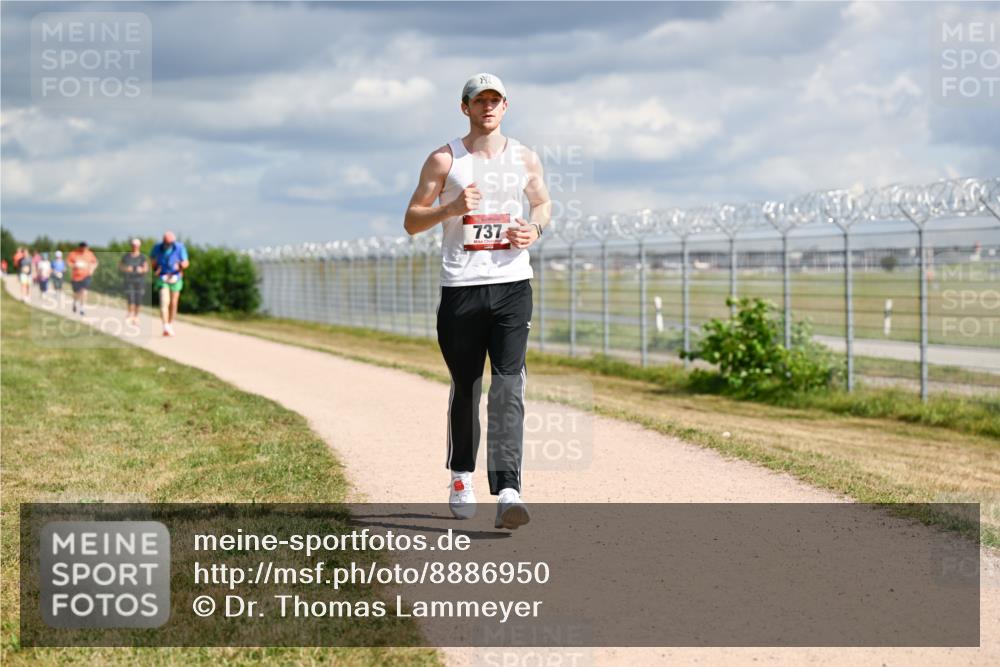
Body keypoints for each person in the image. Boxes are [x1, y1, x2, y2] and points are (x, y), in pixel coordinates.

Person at [403, 73, 551, 530]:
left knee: (508, 386)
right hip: (461, 289)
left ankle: (508, 490)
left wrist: (535, 228)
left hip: (512, 285)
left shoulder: (525, 157)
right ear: (464, 107)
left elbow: (542, 203)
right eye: (478, 100)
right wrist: (450, 209)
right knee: (467, 387)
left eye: (495, 100)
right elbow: (411, 221)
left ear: (506, 106)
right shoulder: (445, 159)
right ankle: (462, 475)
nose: (487, 107)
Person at [149, 231, 189, 337]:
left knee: (173, 302)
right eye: (166, 242)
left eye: (170, 243)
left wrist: (180, 265)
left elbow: (186, 262)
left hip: (176, 277)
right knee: (164, 301)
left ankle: (170, 324)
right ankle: (165, 326)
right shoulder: (157, 248)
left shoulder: (180, 248)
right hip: (163, 277)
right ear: (163, 241)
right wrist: (155, 268)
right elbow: (152, 260)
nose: (168, 244)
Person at [119, 239, 149, 325]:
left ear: (139, 246)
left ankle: (136, 316)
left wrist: (141, 270)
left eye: (136, 245)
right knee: (130, 298)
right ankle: (129, 315)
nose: (135, 247)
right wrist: (127, 269)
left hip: (139, 281)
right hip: (129, 280)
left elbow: (146, 268)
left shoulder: (142, 257)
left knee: (138, 299)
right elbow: (121, 266)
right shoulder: (126, 256)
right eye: (133, 245)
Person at [66, 242, 99, 315]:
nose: (85, 249)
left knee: (84, 291)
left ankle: (82, 308)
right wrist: (75, 265)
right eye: (83, 247)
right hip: (76, 277)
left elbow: (95, 262)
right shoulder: (73, 253)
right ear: (80, 247)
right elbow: (68, 262)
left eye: (86, 247)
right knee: (77, 293)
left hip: (86, 276)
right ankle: (75, 303)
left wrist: (92, 269)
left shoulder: (90, 254)